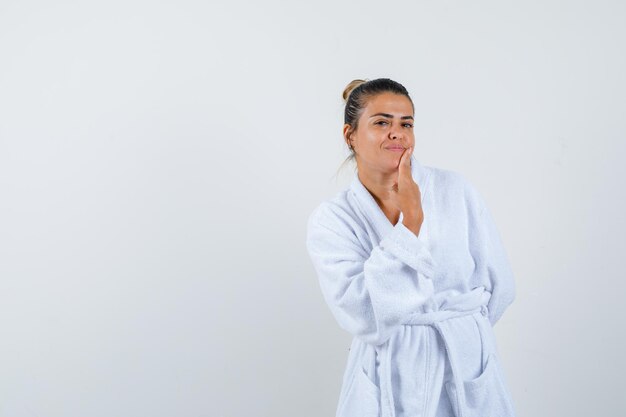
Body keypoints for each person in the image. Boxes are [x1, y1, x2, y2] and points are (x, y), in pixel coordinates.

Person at [305, 78, 517, 417]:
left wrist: (463, 334)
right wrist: (411, 222)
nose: (397, 133)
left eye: (406, 124)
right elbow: (363, 314)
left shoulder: (455, 190)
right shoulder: (333, 220)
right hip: (388, 370)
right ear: (350, 136)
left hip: (465, 364)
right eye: (381, 123)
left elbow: (499, 286)